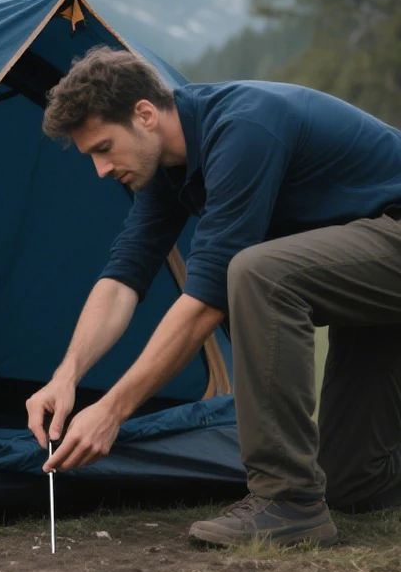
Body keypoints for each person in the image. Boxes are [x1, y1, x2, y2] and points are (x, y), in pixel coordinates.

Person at [25, 45, 401, 546]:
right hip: (367, 271)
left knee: (256, 275)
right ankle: (308, 494)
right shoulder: (166, 168)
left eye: (103, 148)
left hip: (390, 233)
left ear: (144, 114)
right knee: (354, 482)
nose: (100, 169)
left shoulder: (243, 130)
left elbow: (206, 300)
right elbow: (124, 276)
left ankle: (287, 501)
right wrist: (66, 377)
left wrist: (113, 410)